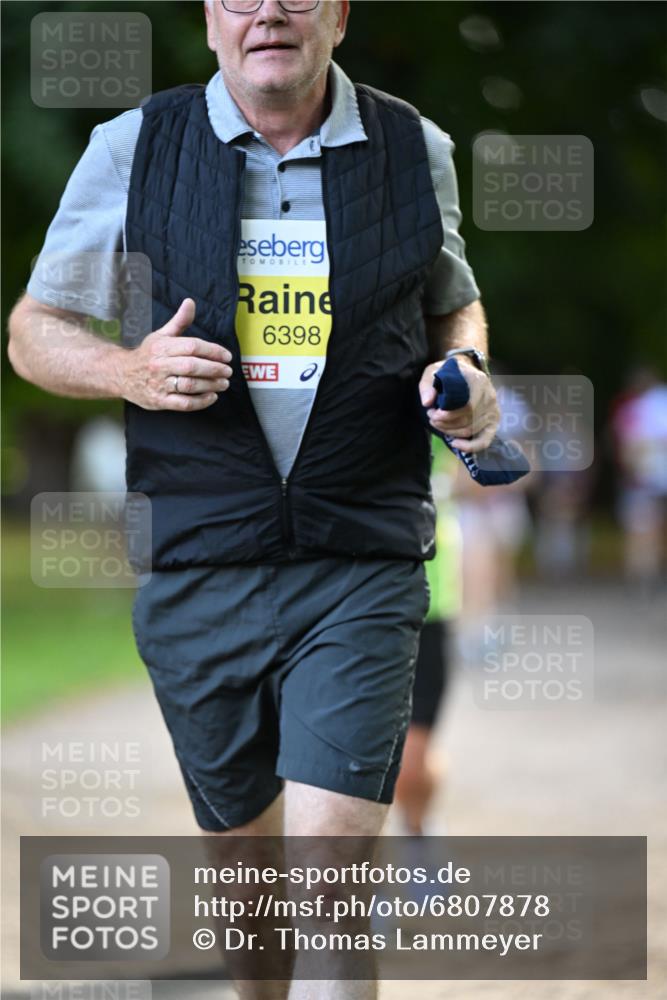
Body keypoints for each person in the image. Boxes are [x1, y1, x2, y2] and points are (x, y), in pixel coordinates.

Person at [8, 2, 499, 996]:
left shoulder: (414, 147)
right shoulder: (133, 148)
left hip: (357, 560)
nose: (269, 8)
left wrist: (468, 374)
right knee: (253, 903)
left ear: (340, 15)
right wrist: (129, 367)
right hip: (199, 560)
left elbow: (451, 299)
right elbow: (33, 328)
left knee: (326, 887)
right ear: (210, 18)